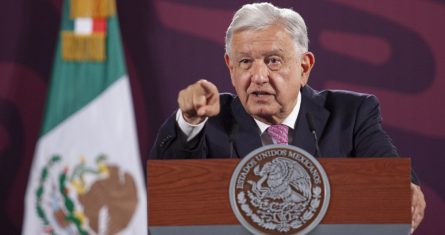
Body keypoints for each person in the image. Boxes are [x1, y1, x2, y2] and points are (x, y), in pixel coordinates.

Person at [149, 2, 425, 233]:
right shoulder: (208, 120)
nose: (258, 77)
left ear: (304, 67)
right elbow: (168, 199)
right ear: (230, 67)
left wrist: (405, 189)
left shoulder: (349, 114)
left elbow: (387, 173)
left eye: (273, 60)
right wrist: (189, 122)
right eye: (245, 62)